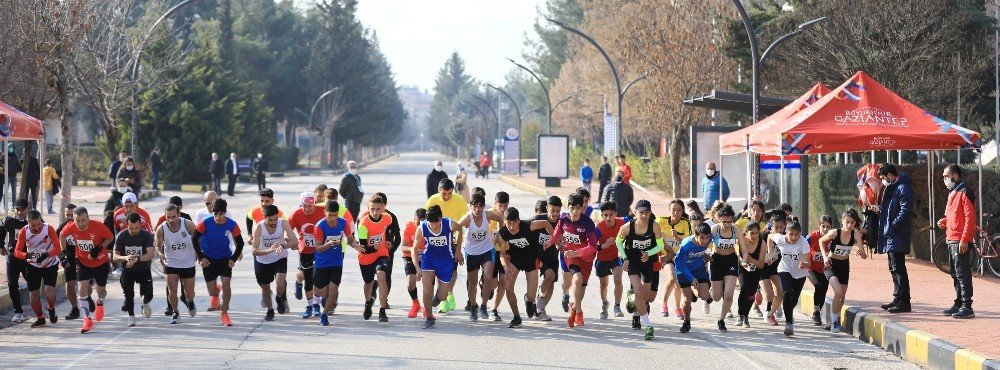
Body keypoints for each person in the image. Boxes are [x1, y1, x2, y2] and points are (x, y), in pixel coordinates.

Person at [547, 194, 599, 328]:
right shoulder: (563, 219)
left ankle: (574, 309)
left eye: (578, 208)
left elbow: (593, 247)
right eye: (572, 208)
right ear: (567, 207)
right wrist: (550, 242)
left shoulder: (587, 223)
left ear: (582, 208)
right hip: (571, 256)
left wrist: (578, 252)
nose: (574, 212)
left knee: (580, 291)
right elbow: (556, 234)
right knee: (577, 279)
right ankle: (579, 312)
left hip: (586, 258)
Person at [60, 207, 115, 333]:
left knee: (101, 290)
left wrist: (98, 248)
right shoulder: (70, 226)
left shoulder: (98, 226)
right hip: (83, 261)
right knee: (81, 288)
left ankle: (100, 302)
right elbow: (62, 236)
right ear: (74, 220)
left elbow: (110, 238)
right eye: (77, 221)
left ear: (88, 218)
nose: (80, 224)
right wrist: (63, 254)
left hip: (100, 262)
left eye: (83, 220)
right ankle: (87, 320)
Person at [615, 200, 664, 340]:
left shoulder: (654, 226)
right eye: (641, 213)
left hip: (647, 261)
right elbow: (618, 242)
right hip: (633, 261)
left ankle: (632, 298)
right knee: (638, 291)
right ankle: (648, 326)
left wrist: (649, 253)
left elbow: (660, 246)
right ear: (635, 212)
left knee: (646, 297)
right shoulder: (627, 227)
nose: (644, 216)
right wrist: (625, 258)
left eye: (647, 213)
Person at [193, 198, 245, 326]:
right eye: (215, 214)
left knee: (227, 286)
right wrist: (201, 257)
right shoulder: (205, 223)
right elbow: (194, 238)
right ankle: (216, 291)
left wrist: (233, 258)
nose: (217, 217)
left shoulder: (232, 224)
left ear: (225, 213)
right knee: (212, 292)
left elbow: (240, 242)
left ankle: (224, 313)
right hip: (208, 260)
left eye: (220, 214)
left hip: (224, 259)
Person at [411, 205, 463, 329]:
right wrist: (418, 269)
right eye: (431, 223)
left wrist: (458, 250)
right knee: (427, 290)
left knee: (443, 296)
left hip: (446, 261)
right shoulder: (422, 227)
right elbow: (414, 249)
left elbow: (460, 229)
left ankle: (437, 298)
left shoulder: (449, 224)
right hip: (429, 259)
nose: (434, 226)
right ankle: (429, 317)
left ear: (441, 218)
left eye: (437, 223)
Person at [819, 209, 868, 332]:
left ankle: (835, 319)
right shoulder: (835, 233)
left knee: (842, 295)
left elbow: (864, 255)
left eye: (852, 222)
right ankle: (834, 321)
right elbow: (821, 240)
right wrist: (825, 257)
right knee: (838, 291)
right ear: (842, 221)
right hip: (831, 264)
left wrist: (861, 252)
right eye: (847, 222)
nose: (849, 225)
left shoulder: (856, 234)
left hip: (844, 265)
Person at [938, 164, 976, 319]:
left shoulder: (965, 191)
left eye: (946, 176)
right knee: (955, 273)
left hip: (959, 239)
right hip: (951, 237)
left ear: (955, 175)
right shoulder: (953, 192)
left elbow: (969, 218)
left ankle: (967, 306)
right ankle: (959, 302)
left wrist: (964, 239)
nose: (945, 179)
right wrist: (945, 222)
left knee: (962, 273)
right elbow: (954, 216)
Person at [455, 194, 501, 322]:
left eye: (480, 206)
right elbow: (457, 228)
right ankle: (473, 306)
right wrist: (458, 250)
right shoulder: (467, 218)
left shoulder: (488, 215)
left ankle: (484, 306)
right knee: (473, 282)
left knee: (487, 277)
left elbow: (501, 220)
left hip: (487, 250)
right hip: (472, 253)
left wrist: (499, 236)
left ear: (483, 207)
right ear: (471, 206)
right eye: (475, 206)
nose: (477, 209)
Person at [312, 200, 358, 326]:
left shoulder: (343, 223)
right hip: (322, 262)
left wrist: (356, 246)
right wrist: (329, 244)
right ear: (325, 212)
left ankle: (324, 314)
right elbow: (318, 248)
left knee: (333, 290)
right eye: (330, 215)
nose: (333, 218)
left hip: (336, 261)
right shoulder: (319, 226)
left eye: (335, 215)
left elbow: (350, 240)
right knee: (323, 292)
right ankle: (319, 293)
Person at [424, 179, 466, 313]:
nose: (447, 196)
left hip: (453, 237)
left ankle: (449, 292)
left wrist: (459, 246)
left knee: (452, 270)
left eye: (449, 193)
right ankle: (444, 301)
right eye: (444, 194)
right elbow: (426, 220)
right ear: (439, 190)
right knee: (438, 268)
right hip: (437, 237)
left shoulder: (459, 200)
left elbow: (465, 220)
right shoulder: (433, 200)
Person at [875, 163, 913, 313]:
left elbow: (905, 211)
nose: (883, 181)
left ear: (890, 175)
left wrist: (892, 226)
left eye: (884, 178)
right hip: (892, 234)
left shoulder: (903, 188)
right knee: (893, 268)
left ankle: (904, 302)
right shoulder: (894, 188)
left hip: (897, 234)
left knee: (899, 269)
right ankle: (897, 298)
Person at [14, 210, 61, 328]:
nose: (36, 227)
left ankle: (51, 308)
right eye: (33, 225)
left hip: (50, 264)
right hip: (33, 265)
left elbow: (58, 248)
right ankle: (40, 318)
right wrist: (27, 255)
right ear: (28, 223)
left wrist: (47, 254)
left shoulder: (48, 229)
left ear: (41, 221)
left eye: (38, 224)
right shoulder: (24, 231)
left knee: (49, 292)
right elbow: (16, 251)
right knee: (33, 296)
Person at [251, 205, 297, 321]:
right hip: (263, 260)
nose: (273, 222)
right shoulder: (259, 228)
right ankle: (270, 310)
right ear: (264, 217)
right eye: (270, 220)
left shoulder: (283, 223)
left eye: (275, 219)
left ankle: (279, 298)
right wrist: (269, 250)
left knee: (280, 281)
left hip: (279, 256)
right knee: (265, 288)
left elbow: (294, 241)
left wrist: (282, 245)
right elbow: (254, 251)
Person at [155, 204, 199, 324]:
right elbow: (157, 246)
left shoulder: (188, 224)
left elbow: (199, 237)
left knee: (189, 293)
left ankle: (190, 301)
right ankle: (175, 312)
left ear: (179, 214)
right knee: (172, 290)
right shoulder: (161, 228)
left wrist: (198, 252)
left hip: (188, 262)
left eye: (174, 217)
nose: (171, 220)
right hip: (171, 263)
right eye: (168, 217)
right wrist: (160, 254)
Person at [496, 207, 539, 329]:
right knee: (508, 287)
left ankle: (529, 301)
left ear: (519, 221)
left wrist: (555, 240)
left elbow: (546, 223)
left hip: (531, 259)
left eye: (514, 222)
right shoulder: (503, 233)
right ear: (504, 221)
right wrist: (506, 266)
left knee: (531, 295)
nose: (511, 226)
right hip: (515, 260)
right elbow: (502, 254)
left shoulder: (529, 225)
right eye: (508, 222)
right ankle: (516, 317)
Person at [767, 220, 810, 336]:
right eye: (791, 234)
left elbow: (808, 262)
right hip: (784, 269)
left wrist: (804, 264)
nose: (793, 237)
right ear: (786, 232)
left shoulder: (803, 243)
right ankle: (789, 324)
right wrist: (770, 252)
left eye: (796, 234)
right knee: (787, 292)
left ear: (800, 234)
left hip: (799, 274)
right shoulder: (780, 239)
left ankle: (787, 312)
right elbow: (769, 237)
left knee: (793, 300)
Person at [112, 212, 156, 327]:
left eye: (136, 228)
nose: (134, 230)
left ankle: (145, 302)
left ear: (140, 225)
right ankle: (131, 317)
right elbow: (115, 257)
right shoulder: (121, 236)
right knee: (128, 295)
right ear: (126, 225)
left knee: (149, 294)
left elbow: (151, 254)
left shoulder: (146, 235)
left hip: (143, 268)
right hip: (127, 270)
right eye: (131, 228)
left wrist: (137, 259)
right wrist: (125, 258)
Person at [355, 195, 393, 322]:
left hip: (382, 253)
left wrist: (388, 241)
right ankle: (368, 302)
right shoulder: (363, 224)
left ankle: (382, 310)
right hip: (366, 256)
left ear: (382, 208)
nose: (375, 212)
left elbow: (386, 230)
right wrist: (373, 247)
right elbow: (364, 247)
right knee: (368, 283)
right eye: (372, 209)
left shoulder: (387, 218)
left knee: (381, 275)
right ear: (368, 208)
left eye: (378, 209)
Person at [709, 205, 744, 332]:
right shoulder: (714, 230)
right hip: (716, 261)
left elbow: (743, 249)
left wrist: (744, 259)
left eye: (729, 221)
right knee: (716, 297)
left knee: (728, 295)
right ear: (719, 219)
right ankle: (712, 289)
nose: (727, 224)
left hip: (731, 260)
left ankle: (721, 320)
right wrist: (706, 255)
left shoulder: (736, 230)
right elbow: (705, 245)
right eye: (724, 221)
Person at [288, 192, 322, 317]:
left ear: (314, 204)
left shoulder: (322, 210)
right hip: (305, 251)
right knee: (308, 279)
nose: (307, 209)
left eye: (310, 206)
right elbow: (287, 228)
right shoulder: (297, 213)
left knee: (318, 279)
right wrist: (290, 240)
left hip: (320, 250)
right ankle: (310, 305)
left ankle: (317, 304)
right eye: (304, 206)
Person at [364, 192, 401, 305]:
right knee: (370, 277)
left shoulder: (391, 217)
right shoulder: (365, 217)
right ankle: (373, 287)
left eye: (380, 207)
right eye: (373, 208)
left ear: (384, 206)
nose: (376, 211)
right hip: (370, 252)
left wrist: (391, 250)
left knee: (385, 276)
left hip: (386, 252)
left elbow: (398, 237)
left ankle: (384, 301)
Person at [675, 223, 713, 334]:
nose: (704, 241)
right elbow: (679, 263)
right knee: (687, 300)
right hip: (683, 270)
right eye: (701, 237)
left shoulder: (709, 238)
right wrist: (691, 279)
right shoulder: (686, 245)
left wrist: (706, 255)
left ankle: (694, 289)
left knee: (705, 295)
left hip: (699, 268)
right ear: (695, 235)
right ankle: (686, 322)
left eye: (706, 238)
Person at [656, 199, 690, 320]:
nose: (676, 213)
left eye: (679, 210)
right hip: (666, 256)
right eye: (673, 210)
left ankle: (677, 307)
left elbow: (687, 244)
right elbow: (654, 236)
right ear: (669, 210)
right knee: (672, 278)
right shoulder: (660, 221)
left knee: (678, 284)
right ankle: (664, 304)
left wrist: (677, 237)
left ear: (682, 211)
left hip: (680, 257)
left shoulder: (685, 223)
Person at [530, 197, 561, 321]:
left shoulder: (562, 222)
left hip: (552, 256)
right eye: (552, 211)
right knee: (549, 275)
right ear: (547, 209)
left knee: (551, 285)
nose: (555, 214)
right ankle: (539, 300)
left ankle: (539, 310)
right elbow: (523, 227)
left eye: (557, 211)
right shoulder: (538, 219)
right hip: (538, 255)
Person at [595, 201, 626, 320]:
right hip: (602, 258)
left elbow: (634, 220)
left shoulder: (622, 223)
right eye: (605, 215)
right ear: (602, 215)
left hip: (616, 257)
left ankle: (617, 306)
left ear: (615, 214)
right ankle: (604, 304)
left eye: (611, 214)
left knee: (618, 279)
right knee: (604, 284)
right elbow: (593, 246)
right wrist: (604, 245)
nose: (608, 218)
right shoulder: (599, 228)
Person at [1, 199, 30, 323]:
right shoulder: (9, 221)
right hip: (13, 258)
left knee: (33, 283)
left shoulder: (33, 221)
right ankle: (18, 312)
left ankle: (40, 309)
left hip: (28, 258)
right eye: (17, 209)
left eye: (22, 210)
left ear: (27, 209)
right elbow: (1, 232)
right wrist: (1, 246)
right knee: (12, 284)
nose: (19, 212)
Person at [486, 192, 510, 322]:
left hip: (504, 252)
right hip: (490, 252)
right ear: (494, 204)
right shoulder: (488, 215)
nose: (502, 209)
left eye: (505, 206)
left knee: (503, 283)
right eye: (500, 206)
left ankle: (494, 310)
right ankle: (485, 284)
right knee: (493, 284)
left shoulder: (509, 216)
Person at [735, 222, 765, 328]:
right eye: (752, 233)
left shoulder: (762, 243)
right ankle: (740, 314)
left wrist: (752, 260)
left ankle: (746, 315)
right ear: (746, 233)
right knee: (745, 287)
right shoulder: (742, 241)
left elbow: (761, 264)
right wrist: (744, 261)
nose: (755, 236)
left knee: (752, 293)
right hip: (743, 268)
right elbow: (739, 256)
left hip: (756, 270)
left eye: (757, 233)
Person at [807, 215, 834, 327]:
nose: (825, 229)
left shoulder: (833, 238)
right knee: (818, 285)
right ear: (819, 226)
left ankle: (817, 311)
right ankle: (816, 311)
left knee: (824, 289)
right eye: (823, 226)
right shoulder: (812, 236)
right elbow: (802, 244)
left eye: (828, 227)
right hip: (811, 268)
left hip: (825, 269)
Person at [762, 212, 788, 325]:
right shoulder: (764, 235)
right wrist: (767, 255)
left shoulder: (786, 236)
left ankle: (769, 313)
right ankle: (759, 289)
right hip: (762, 268)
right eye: (776, 227)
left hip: (776, 269)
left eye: (782, 227)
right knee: (769, 295)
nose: (779, 230)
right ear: (771, 226)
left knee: (781, 293)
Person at [56, 204, 81, 320]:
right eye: (67, 215)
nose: (69, 217)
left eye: (72, 215)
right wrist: (62, 258)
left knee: (85, 287)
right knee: (69, 287)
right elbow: (55, 246)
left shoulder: (83, 225)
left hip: (83, 259)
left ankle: (87, 298)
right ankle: (75, 309)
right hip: (69, 260)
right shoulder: (61, 229)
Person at [401, 208, 427, 319]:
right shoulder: (409, 226)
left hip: (426, 257)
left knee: (428, 281)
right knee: (411, 280)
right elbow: (403, 247)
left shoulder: (431, 227)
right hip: (410, 257)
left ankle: (427, 307)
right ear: (414, 219)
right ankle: (415, 303)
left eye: (423, 222)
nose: (420, 225)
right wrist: (413, 249)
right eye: (418, 222)